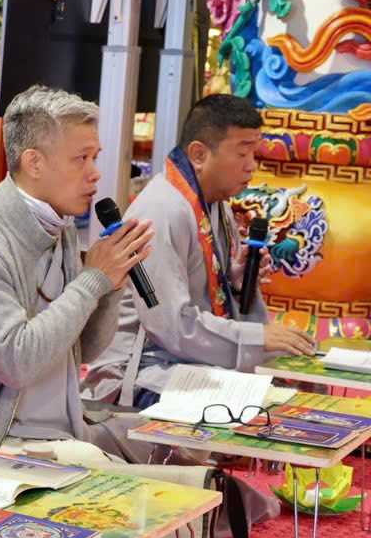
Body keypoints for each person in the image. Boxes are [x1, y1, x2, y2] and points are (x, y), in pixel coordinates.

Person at [0, 86, 156, 468]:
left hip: (63, 429)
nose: (95, 174)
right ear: (34, 163)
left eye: (95, 157)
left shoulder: (59, 227)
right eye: (81, 159)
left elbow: (85, 349)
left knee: (177, 446)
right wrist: (93, 280)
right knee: (160, 493)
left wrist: (111, 286)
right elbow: (17, 363)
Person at [83, 94, 315, 407]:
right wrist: (257, 337)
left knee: (298, 388)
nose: (252, 165)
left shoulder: (218, 206)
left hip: (188, 363)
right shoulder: (162, 210)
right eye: (242, 153)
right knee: (264, 409)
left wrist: (234, 283)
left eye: (254, 152)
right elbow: (171, 327)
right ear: (199, 154)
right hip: (143, 372)